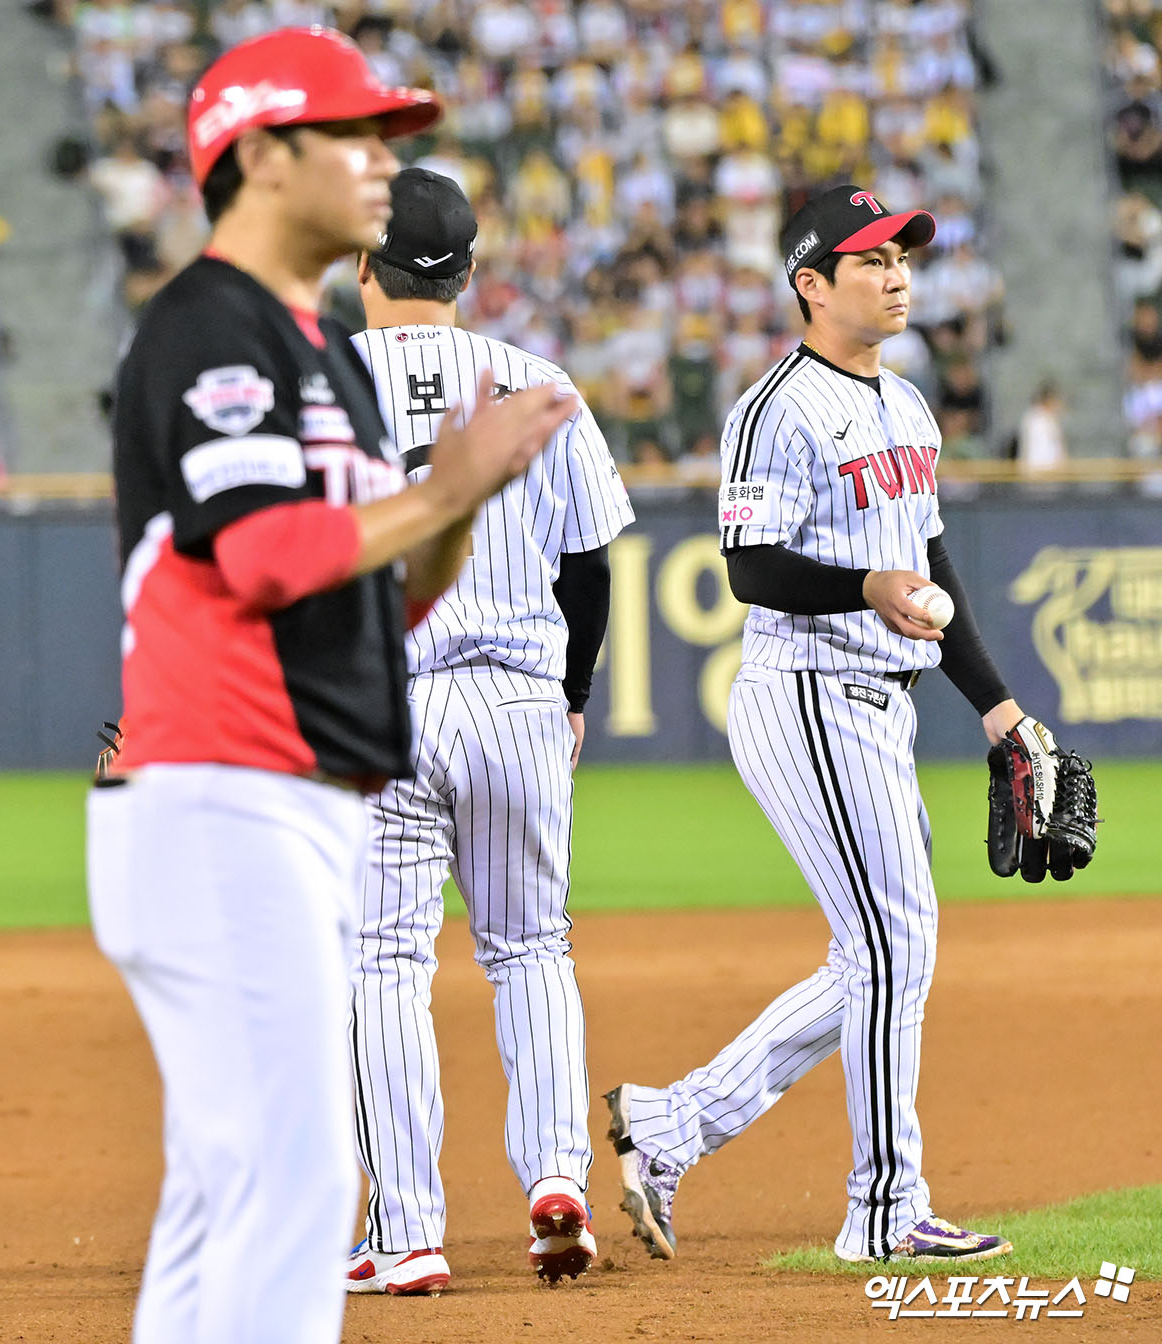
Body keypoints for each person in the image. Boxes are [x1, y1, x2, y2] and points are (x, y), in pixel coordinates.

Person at [86, 29, 576, 1344]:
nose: (382, 164)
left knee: (232, 1190)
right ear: (256, 154)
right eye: (351, 137)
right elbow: (260, 557)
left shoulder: (311, 351)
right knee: (296, 1184)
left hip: (277, 793)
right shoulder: (213, 331)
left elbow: (385, 596)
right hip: (222, 791)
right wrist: (445, 489)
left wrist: (462, 511)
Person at [606, 184, 1042, 1266]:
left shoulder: (908, 407)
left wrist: (998, 709)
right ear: (812, 283)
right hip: (807, 691)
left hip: (880, 699)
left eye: (904, 257)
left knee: (884, 955)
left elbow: (933, 573)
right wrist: (863, 583)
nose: (898, 276)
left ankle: (670, 1125)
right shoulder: (774, 409)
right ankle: (884, 1208)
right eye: (871, 261)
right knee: (893, 946)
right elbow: (750, 566)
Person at [342, 168, 634, 1294]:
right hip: (517, 691)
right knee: (530, 947)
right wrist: (572, 696)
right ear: (468, 273)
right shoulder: (537, 379)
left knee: (383, 962)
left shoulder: (317, 390)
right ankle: (558, 1181)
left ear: (362, 265)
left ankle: (407, 1233)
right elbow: (591, 566)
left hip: (385, 700)